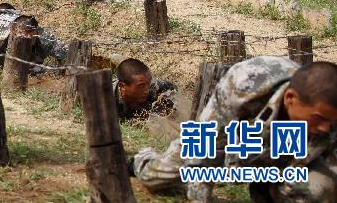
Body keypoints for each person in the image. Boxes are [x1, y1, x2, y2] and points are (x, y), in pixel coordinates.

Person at [132, 57, 337, 202]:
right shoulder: (245, 85)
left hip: (281, 154)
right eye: (320, 119)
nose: (326, 127)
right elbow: (204, 149)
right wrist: (199, 197)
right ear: (291, 98)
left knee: (321, 187)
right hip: (228, 144)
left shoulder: (328, 116)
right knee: (156, 178)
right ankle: (142, 159)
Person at [112, 58, 176, 121]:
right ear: (122, 86)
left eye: (148, 83)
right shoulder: (106, 99)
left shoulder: (159, 87)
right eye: (141, 86)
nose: (146, 90)